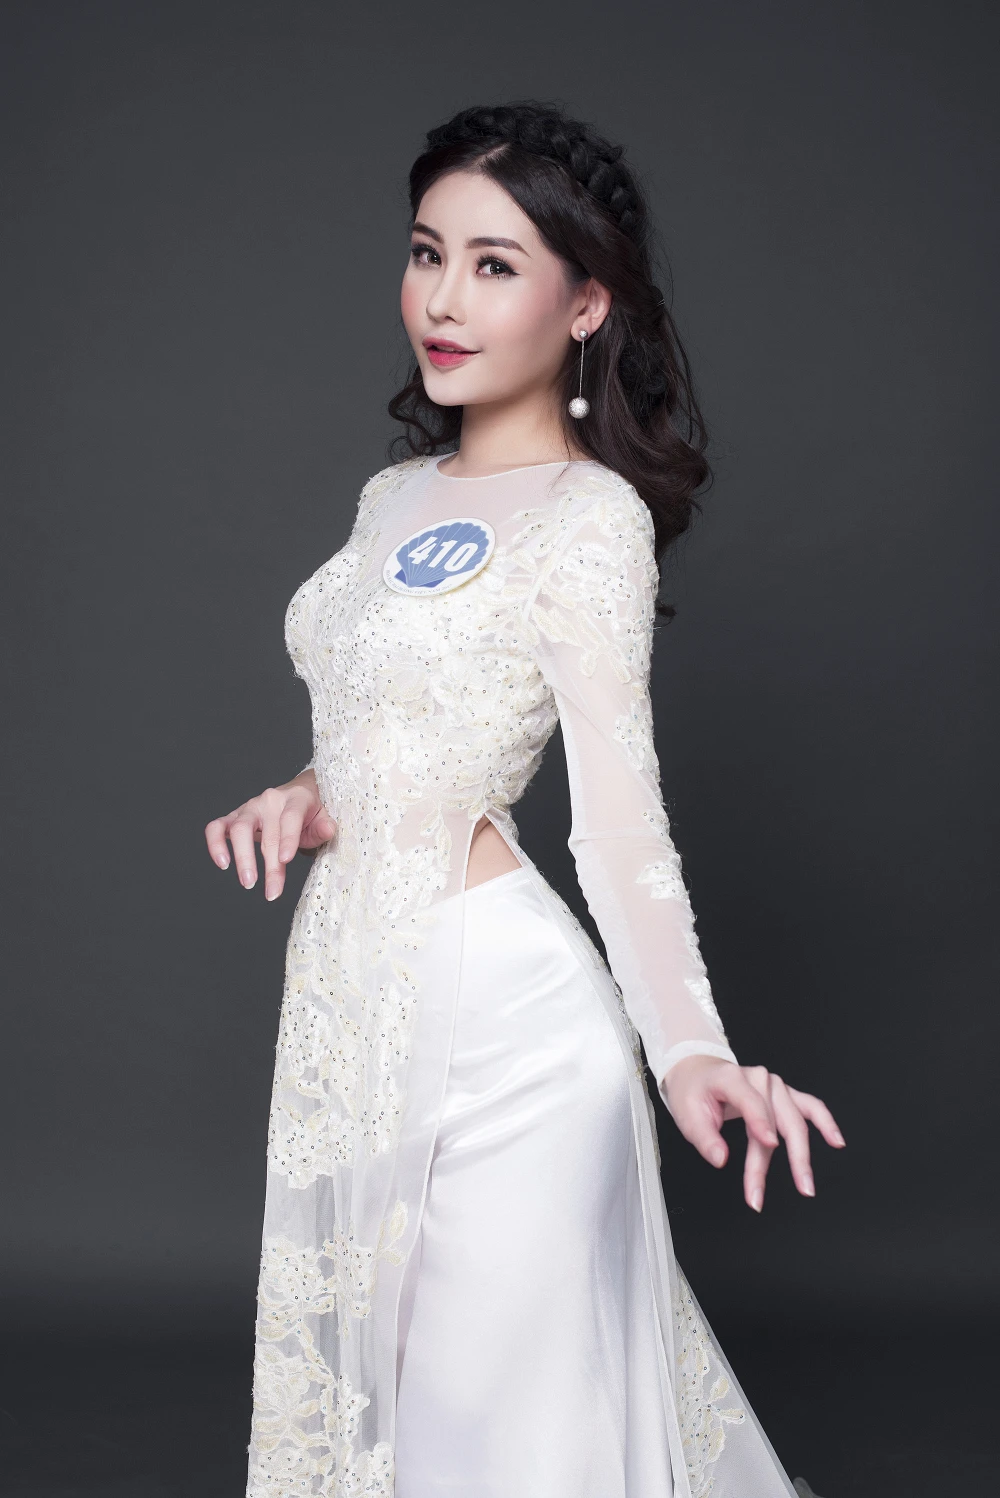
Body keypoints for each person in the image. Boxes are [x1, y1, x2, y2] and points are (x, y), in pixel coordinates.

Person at [205, 102, 843, 1498]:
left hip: (509, 1034)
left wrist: (692, 1055)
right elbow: (393, 729)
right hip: (354, 1004)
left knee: (501, 1430)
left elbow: (619, 823)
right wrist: (304, 796)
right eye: (427, 252)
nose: (443, 299)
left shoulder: (588, 518)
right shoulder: (390, 500)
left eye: (496, 265)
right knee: (398, 1413)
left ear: (587, 301)